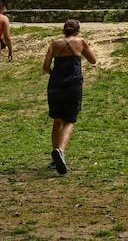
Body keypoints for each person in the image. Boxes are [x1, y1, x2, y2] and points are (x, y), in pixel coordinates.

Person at [42, 19, 97, 174]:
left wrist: (55, 75)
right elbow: (93, 60)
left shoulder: (54, 44)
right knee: (70, 121)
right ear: (77, 30)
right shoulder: (81, 42)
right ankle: (60, 150)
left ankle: (54, 157)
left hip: (55, 86)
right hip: (73, 86)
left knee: (57, 120)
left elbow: (45, 67)